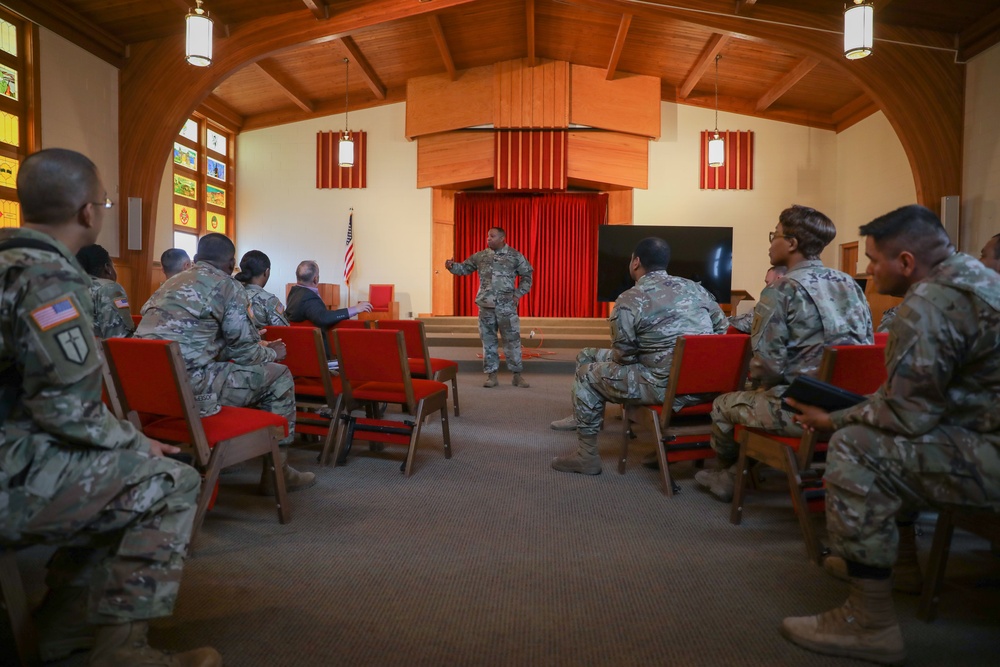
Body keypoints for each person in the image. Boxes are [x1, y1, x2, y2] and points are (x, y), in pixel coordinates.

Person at [0, 148, 219, 666]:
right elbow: (68, 411)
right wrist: (136, 440)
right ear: (88, 212)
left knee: (112, 473)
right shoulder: (46, 279)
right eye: (104, 201)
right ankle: (123, 654)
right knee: (169, 481)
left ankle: (61, 627)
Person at [780, 204, 1000, 665]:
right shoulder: (981, 279)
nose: (865, 270)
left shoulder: (929, 303)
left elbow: (907, 415)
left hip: (989, 455)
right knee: (880, 433)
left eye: (873, 260)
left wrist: (832, 420)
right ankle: (898, 565)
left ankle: (868, 623)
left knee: (856, 448)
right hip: (980, 430)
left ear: (905, 262)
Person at [696, 205, 873, 501]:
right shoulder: (850, 284)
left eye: (773, 235)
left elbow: (768, 365)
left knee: (724, 404)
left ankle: (726, 474)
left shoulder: (781, 290)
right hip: (849, 406)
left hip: (798, 409)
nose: (770, 243)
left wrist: (753, 385)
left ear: (791, 243)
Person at [138, 233, 314, 492]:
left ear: (196, 259)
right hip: (190, 389)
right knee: (280, 375)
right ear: (232, 264)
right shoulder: (228, 286)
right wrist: (271, 353)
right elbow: (245, 355)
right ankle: (277, 472)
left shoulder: (170, 284)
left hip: (146, 389)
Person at [549, 237, 728, 475]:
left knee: (586, 375)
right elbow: (722, 331)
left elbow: (624, 356)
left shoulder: (630, 298)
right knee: (588, 354)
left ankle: (587, 457)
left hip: (660, 386)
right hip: (704, 385)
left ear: (636, 263)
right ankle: (583, 415)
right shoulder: (696, 289)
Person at [445, 226, 534, 388]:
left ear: (502, 238)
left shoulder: (514, 256)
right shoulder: (481, 256)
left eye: (492, 236)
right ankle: (491, 376)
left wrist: (518, 294)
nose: (488, 239)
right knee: (488, 342)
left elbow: (527, 275)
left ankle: (517, 375)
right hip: (486, 307)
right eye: (487, 236)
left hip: (507, 307)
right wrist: (451, 266)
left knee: (512, 341)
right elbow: (464, 268)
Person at [285, 260, 372, 341]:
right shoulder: (308, 297)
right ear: (315, 279)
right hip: (314, 347)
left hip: (298, 342)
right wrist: (355, 309)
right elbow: (324, 317)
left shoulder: (293, 293)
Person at [75, 243, 135, 339]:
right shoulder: (108, 288)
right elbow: (119, 338)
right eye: (113, 265)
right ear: (108, 268)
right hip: (99, 353)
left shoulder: (70, 287)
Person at [235, 250, 289, 328]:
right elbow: (283, 331)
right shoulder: (269, 300)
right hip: (259, 340)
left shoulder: (231, 293)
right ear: (266, 272)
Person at [728, 265, 787, 334]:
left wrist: (725, 321)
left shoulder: (777, 301)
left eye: (767, 282)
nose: (766, 287)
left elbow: (753, 322)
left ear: (778, 280)